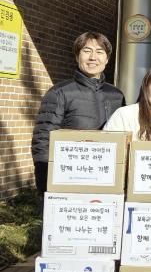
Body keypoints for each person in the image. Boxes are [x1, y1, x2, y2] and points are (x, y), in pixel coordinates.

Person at [31, 31, 124, 192]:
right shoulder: (60, 92)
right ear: (77, 56)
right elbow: (43, 139)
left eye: (99, 52)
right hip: (69, 177)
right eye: (87, 51)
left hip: (106, 178)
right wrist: (45, 185)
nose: (93, 57)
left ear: (107, 59)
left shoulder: (116, 95)